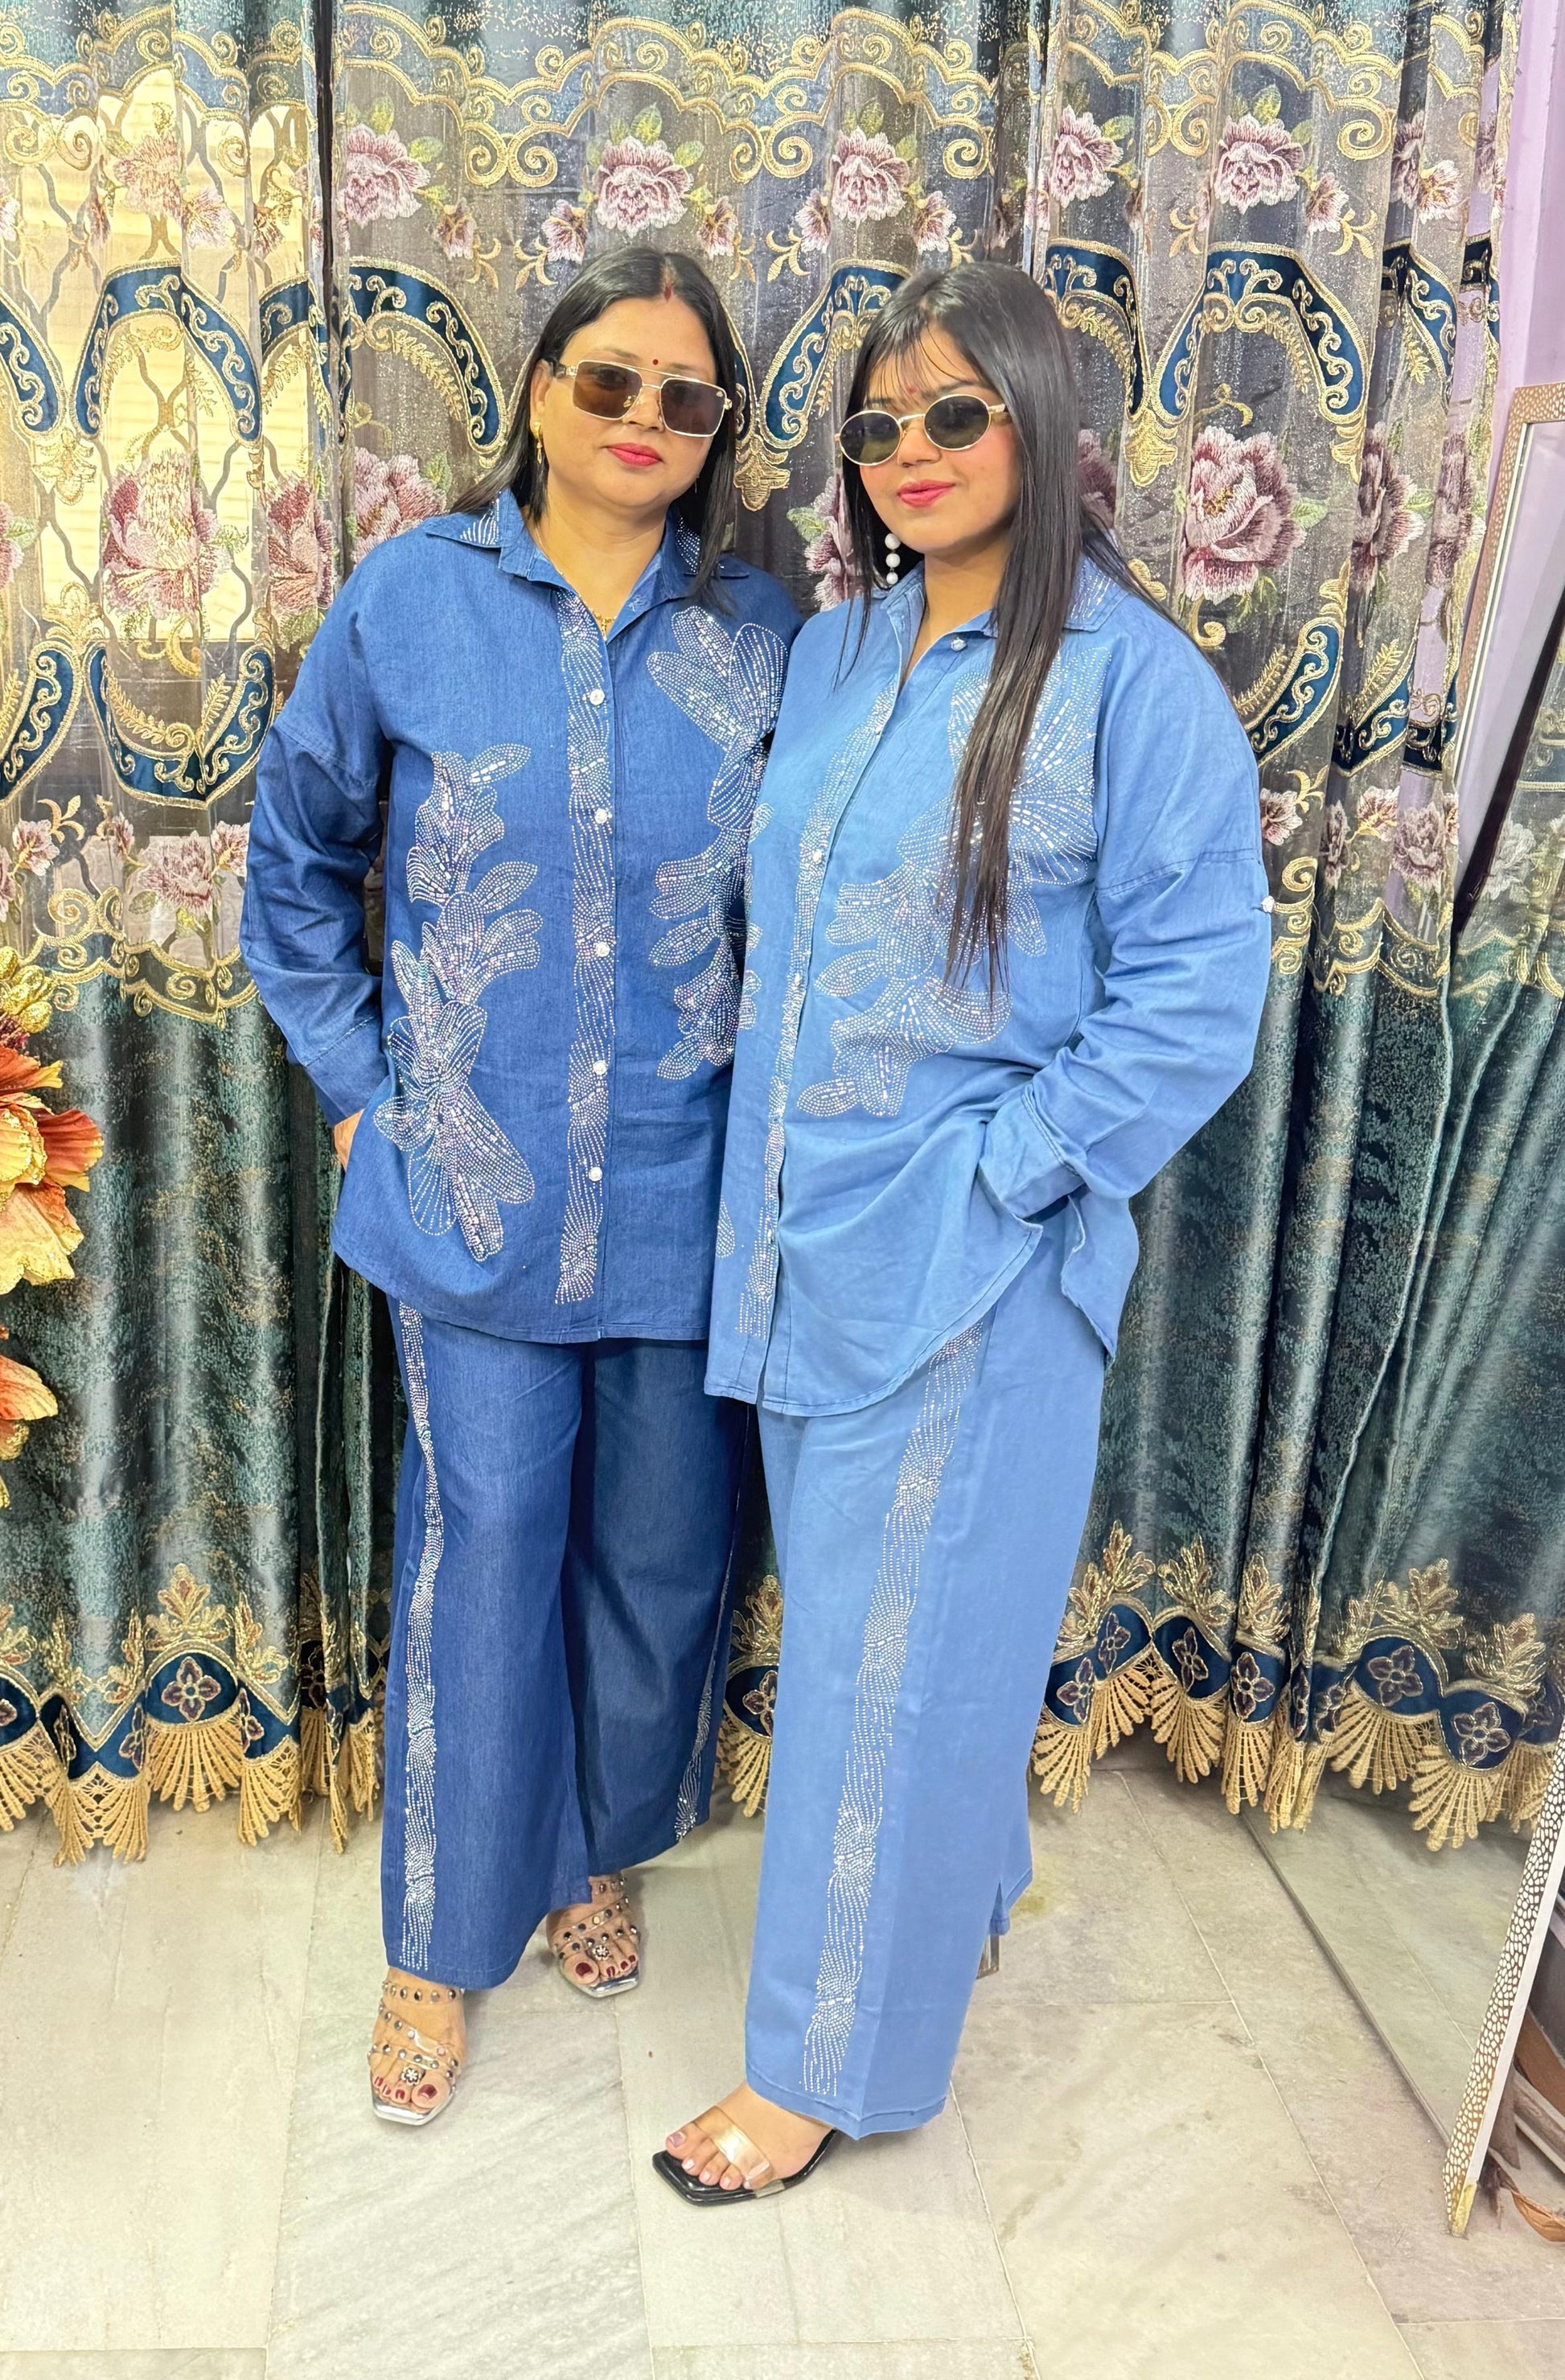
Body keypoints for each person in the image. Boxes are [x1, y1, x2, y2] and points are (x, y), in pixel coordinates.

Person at [656, 261, 1271, 2202]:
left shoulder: (1129, 686)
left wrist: (1000, 1169)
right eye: (875, 424)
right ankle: (946, 1913)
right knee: (885, 1647)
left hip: (969, 1270)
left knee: (883, 1679)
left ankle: (823, 2067)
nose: (907, 453)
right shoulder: (840, 654)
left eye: (951, 414)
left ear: (1037, 420)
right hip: (793, 1248)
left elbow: (1196, 994)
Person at [241, 246, 799, 2125]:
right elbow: (294, 865)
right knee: (483, 1547)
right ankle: (439, 1937)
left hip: (685, 1201)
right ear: (542, 389)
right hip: (470, 1196)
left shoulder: (764, 634)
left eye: (685, 397)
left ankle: (588, 1850)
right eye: (608, 379)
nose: (643, 419)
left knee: (658, 1556)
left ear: (718, 431)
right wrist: (357, 1097)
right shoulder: (412, 600)